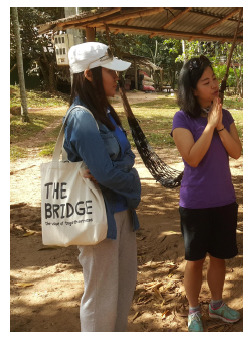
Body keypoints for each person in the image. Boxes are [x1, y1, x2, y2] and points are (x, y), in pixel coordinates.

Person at [63, 42, 142, 332]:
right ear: (88, 74)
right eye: (110, 71)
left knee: (121, 293)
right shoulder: (82, 117)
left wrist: (117, 169)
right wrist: (132, 181)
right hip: (98, 221)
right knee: (101, 300)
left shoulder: (106, 113)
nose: (116, 77)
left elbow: (127, 157)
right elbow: (106, 172)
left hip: (121, 215)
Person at [171, 55, 243, 332]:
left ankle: (215, 305)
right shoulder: (182, 118)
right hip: (196, 203)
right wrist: (210, 125)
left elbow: (236, 152)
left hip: (224, 199)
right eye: (206, 81)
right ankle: (193, 311)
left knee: (219, 256)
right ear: (192, 89)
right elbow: (192, 158)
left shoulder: (224, 114)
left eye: (214, 78)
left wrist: (220, 124)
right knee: (194, 260)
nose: (214, 84)